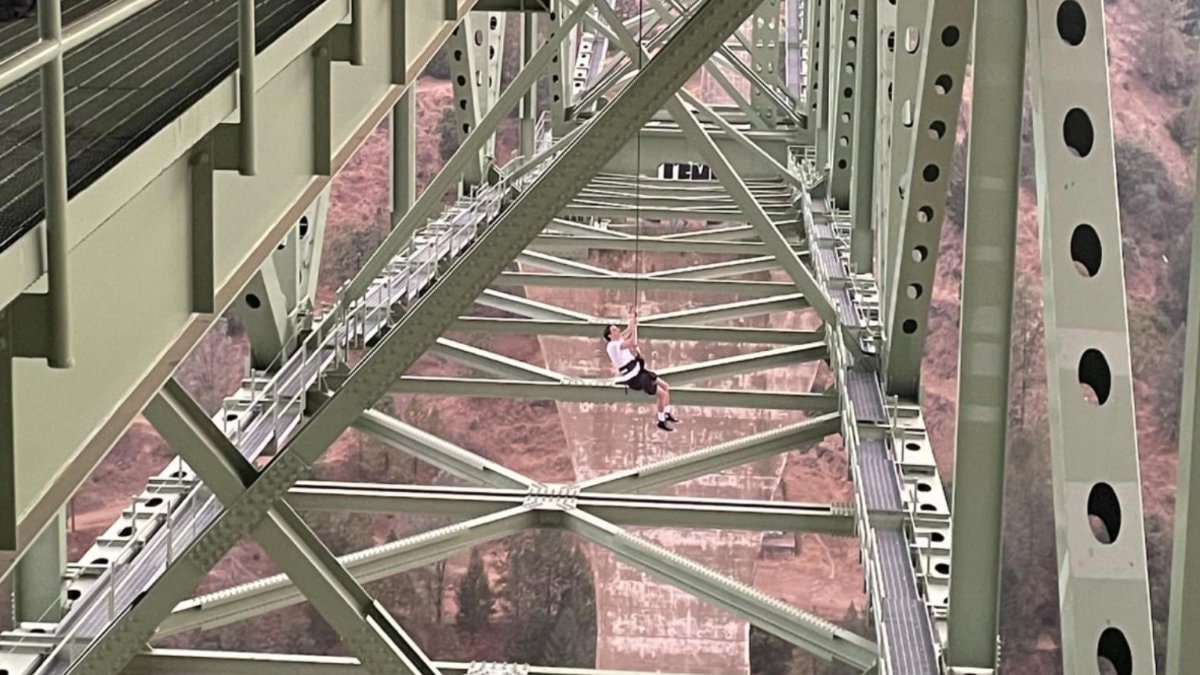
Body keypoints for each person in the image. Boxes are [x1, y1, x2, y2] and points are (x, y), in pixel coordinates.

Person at [602, 309, 679, 432]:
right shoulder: (612, 346)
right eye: (614, 330)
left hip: (640, 371)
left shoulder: (618, 341)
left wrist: (633, 320)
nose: (618, 330)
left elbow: (628, 330)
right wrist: (634, 329)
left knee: (666, 386)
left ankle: (667, 413)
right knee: (662, 394)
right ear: (610, 336)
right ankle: (661, 421)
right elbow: (633, 342)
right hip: (635, 377)